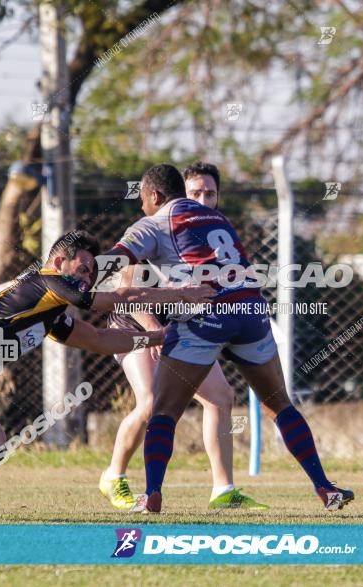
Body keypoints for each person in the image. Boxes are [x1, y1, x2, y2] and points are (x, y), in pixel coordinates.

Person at [0, 231, 213, 513]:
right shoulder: (46, 280)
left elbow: (102, 339)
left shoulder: (50, 312)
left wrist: (156, 336)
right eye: (83, 269)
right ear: (60, 261)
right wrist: (180, 295)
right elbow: (116, 297)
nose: (88, 280)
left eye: (91, 274)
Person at [103, 163, 354, 513]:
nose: (142, 207)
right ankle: (325, 487)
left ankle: (152, 494)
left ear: (154, 196)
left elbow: (115, 261)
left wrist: (78, 276)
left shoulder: (154, 221)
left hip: (204, 315)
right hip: (251, 311)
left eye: (144, 200)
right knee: (279, 404)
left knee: (164, 411)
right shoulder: (217, 219)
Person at [99, 161, 268, 511]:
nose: (203, 200)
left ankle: (223, 490)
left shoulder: (212, 234)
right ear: (176, 196)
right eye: (195, 193)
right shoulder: (155, 226)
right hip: (136, 323)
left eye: (210, 193)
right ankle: (113, 476)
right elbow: (125, 291)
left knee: (221, 397)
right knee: (151, 402)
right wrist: (156, 334)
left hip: (177, 327)